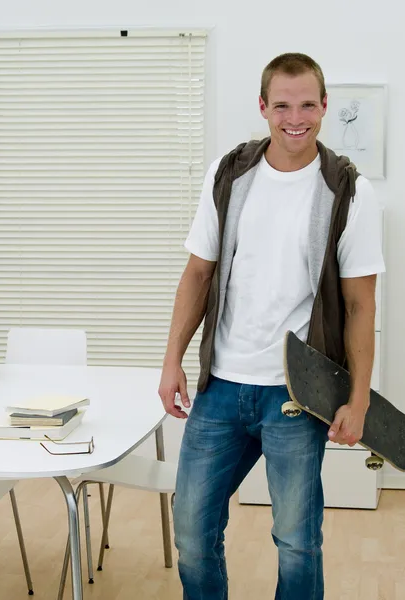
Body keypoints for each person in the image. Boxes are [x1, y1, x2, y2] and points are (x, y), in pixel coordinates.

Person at [158, 52, 385, 600]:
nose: (295, 117)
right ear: (263, 107)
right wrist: (171, 362)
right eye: (281, 105)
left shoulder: (349, 191)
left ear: (325, 106)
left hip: (295, 394)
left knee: (297, 541)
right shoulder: (230, 174)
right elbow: (197, 273)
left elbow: (360, 306)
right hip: (221, 387)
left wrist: (358, 400)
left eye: (308, 104)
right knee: (191, 531)